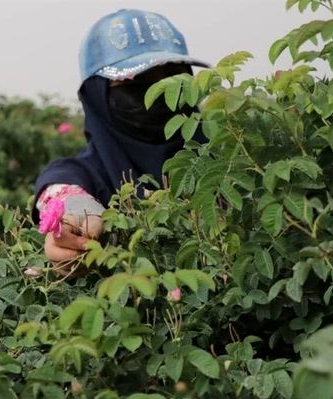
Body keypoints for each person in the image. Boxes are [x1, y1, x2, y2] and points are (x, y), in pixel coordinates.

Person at [33, 9, 209, 276]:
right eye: (136, 79)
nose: (159, 89)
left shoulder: (230, 156)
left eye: (173, 75)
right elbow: (60, 188)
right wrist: (73, 221)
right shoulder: (88, 173)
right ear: (96, 96)